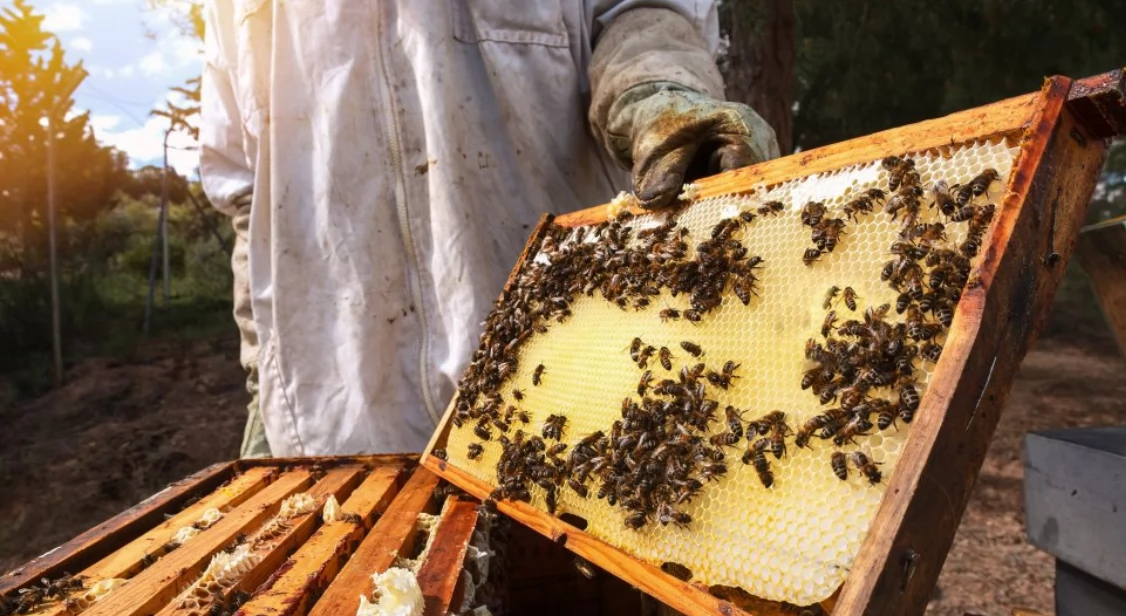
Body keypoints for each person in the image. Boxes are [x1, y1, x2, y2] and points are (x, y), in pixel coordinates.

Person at [200, 1, 779, 458]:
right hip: (344, 424)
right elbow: (249, 198)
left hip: (577, 394)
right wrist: (264, 389)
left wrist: (654, 90)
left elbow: (643, 10)